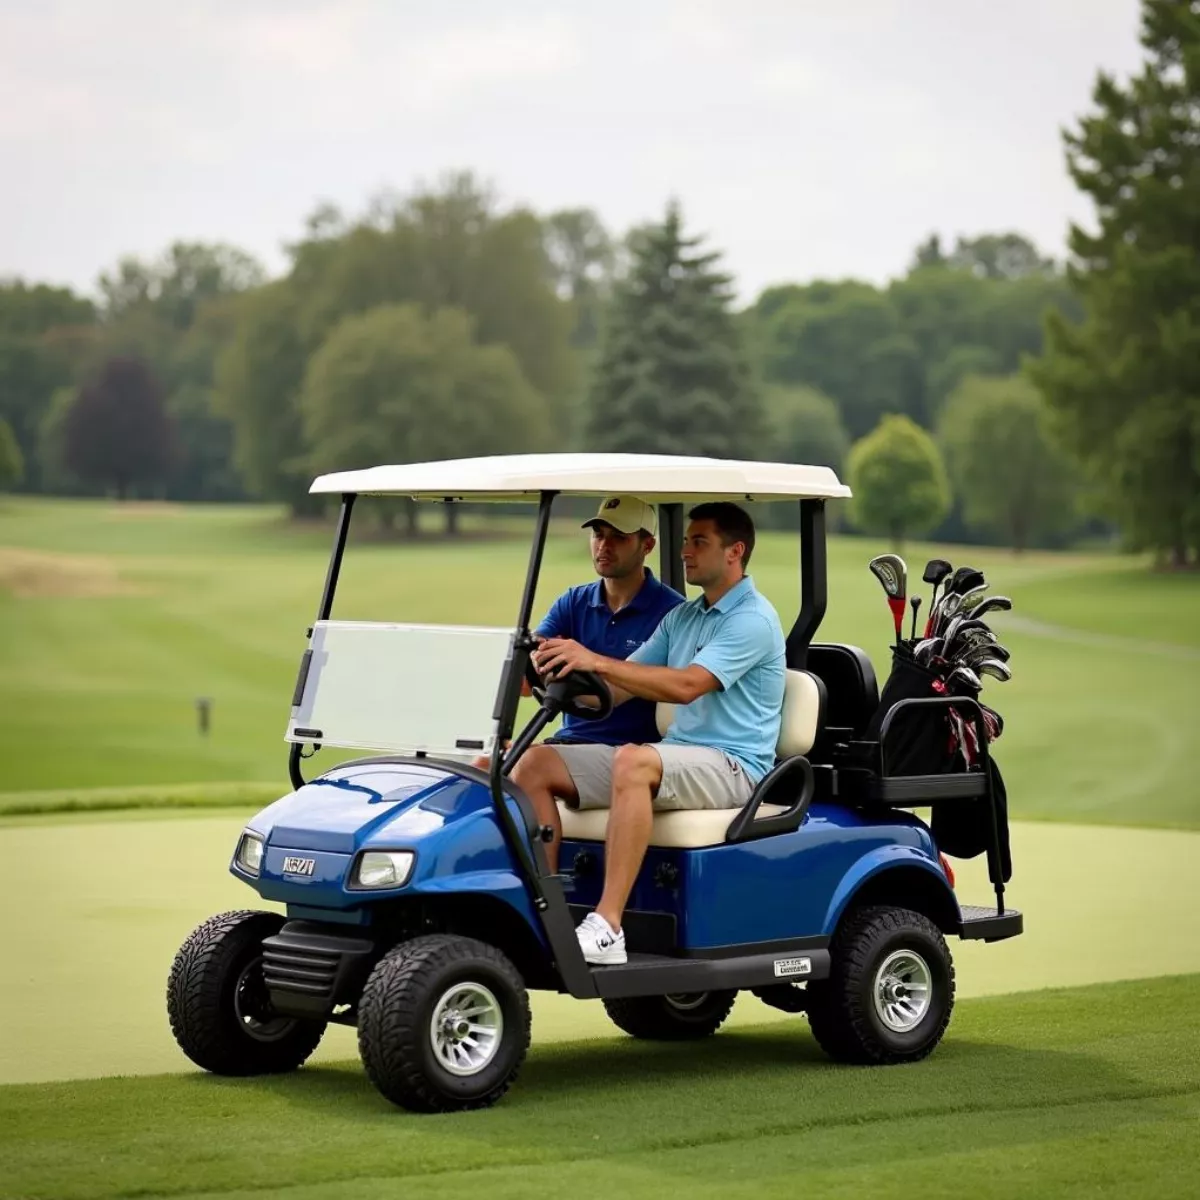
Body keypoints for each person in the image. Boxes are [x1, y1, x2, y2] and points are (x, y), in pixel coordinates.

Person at [519, 502, 785, 965]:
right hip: (680, 756)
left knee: (633, 759)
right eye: (686, 540)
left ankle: (607, 927)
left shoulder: (753, 620)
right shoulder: (685, 618)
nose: (685, 551)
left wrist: (595, 659)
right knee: (535, 763)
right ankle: (544, 911)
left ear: (734, 552)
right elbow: (617, 689)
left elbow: (686, 687)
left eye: (698, 541)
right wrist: (555, 675)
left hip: (735, 765)